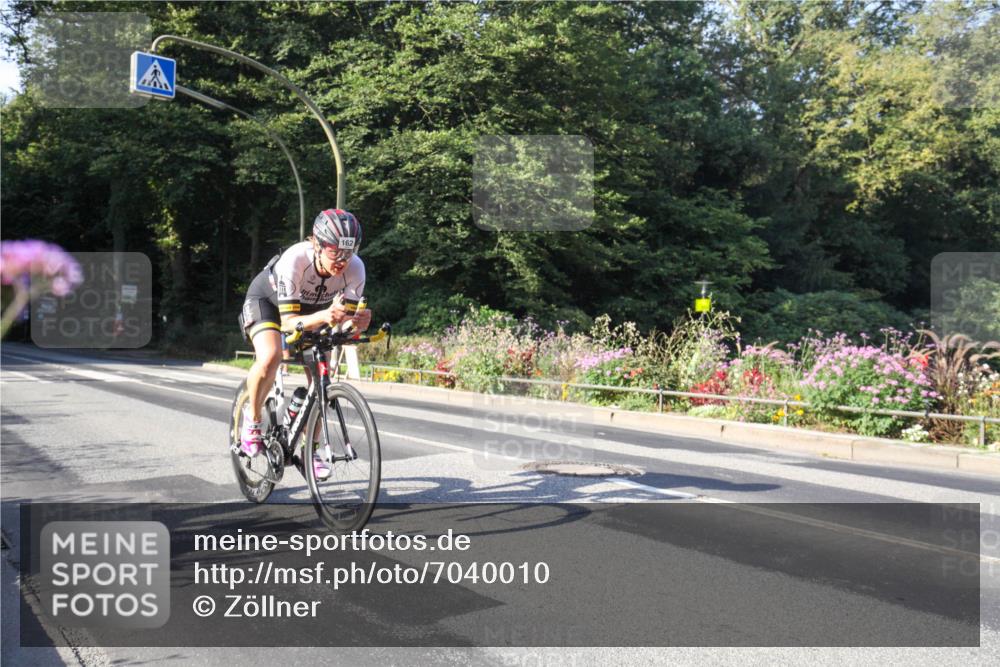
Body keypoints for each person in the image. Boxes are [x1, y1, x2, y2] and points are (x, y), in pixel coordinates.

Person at [238, 209, 372, 479]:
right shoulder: (296, 259)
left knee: (322, 381)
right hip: (269, 303)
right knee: (271, 355)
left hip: (315, 310)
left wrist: (356, 323)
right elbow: (288, 323)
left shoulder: (356, 268)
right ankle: (251, 422)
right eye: (335, 252)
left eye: (349, 252)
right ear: (317, 244)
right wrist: (325, 316)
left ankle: (309, 449)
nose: (342, 261)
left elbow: (341, 323)